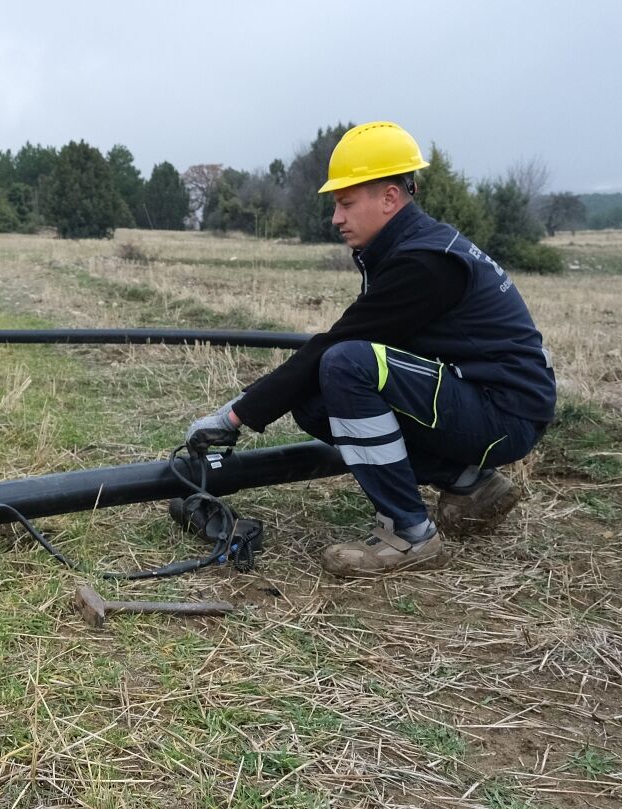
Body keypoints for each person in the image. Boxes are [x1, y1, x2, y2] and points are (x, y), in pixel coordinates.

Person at [185, 122, 556, 578]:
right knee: (317, 396)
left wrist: (236, 416)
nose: (336, 218)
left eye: (345, 203)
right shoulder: (411, 247)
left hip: (505, 413)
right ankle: (466, 480)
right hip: (480, 398)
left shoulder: (425, 264)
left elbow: (339, 345)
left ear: (389, 198)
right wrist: (255, 404)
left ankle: (410, 535)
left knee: (346, 364)